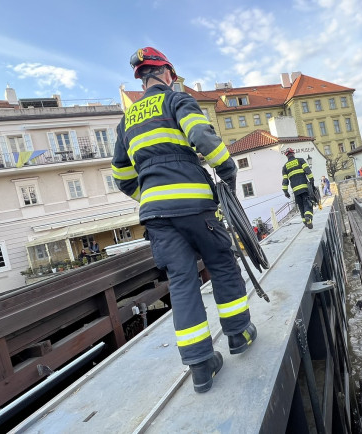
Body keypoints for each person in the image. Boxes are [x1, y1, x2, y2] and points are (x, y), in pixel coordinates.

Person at [111, 47, 256, 393]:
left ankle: (201, 365)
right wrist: (227, 169)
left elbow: (121, 176)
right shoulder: (176, 101)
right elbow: (203, 137)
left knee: (182, 282)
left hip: (156, 217)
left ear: (142, 80)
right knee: (221, 263)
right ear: (167, 74)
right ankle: (238, 334)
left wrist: (150, 194)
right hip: (195, 204)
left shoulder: (126, 122)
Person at [281, 148, 315, 229]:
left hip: (295, 191)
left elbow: (285, 180)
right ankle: (308, 218)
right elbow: (308, 171)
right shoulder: (300, 160)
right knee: (308, 203)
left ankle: (305, 222)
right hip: (304, 187)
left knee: (301, 206)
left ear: (287, 156)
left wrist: (285, 191)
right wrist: (312, 181)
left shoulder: (285, 167)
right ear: (293, 154)